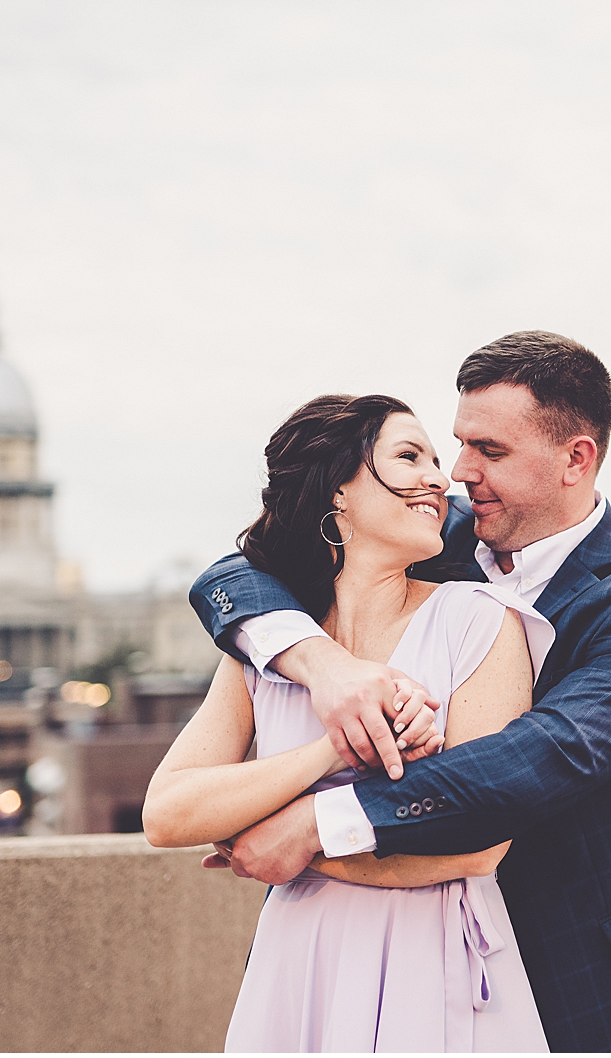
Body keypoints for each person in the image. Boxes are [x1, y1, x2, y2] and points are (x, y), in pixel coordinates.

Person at [189, 331, 611, 1054]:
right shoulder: (431, 536)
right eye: (459, 444)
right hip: (396, 965)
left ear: (575, 458)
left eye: (490, 451)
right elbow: (232, 577)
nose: (457, 473)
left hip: (594, 972)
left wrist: (317, 826)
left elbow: (540, 757)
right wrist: (322, 665)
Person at [145, 393, 549, 1051]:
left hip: (436, 958)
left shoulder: (480, 620)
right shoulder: (271, 650)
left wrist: (293, 841)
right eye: (409, 456)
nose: (439, 479)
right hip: (300, 962)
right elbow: (167, 813)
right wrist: (331, 753)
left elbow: (482, 841)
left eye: (435, 460)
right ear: (338, 488)